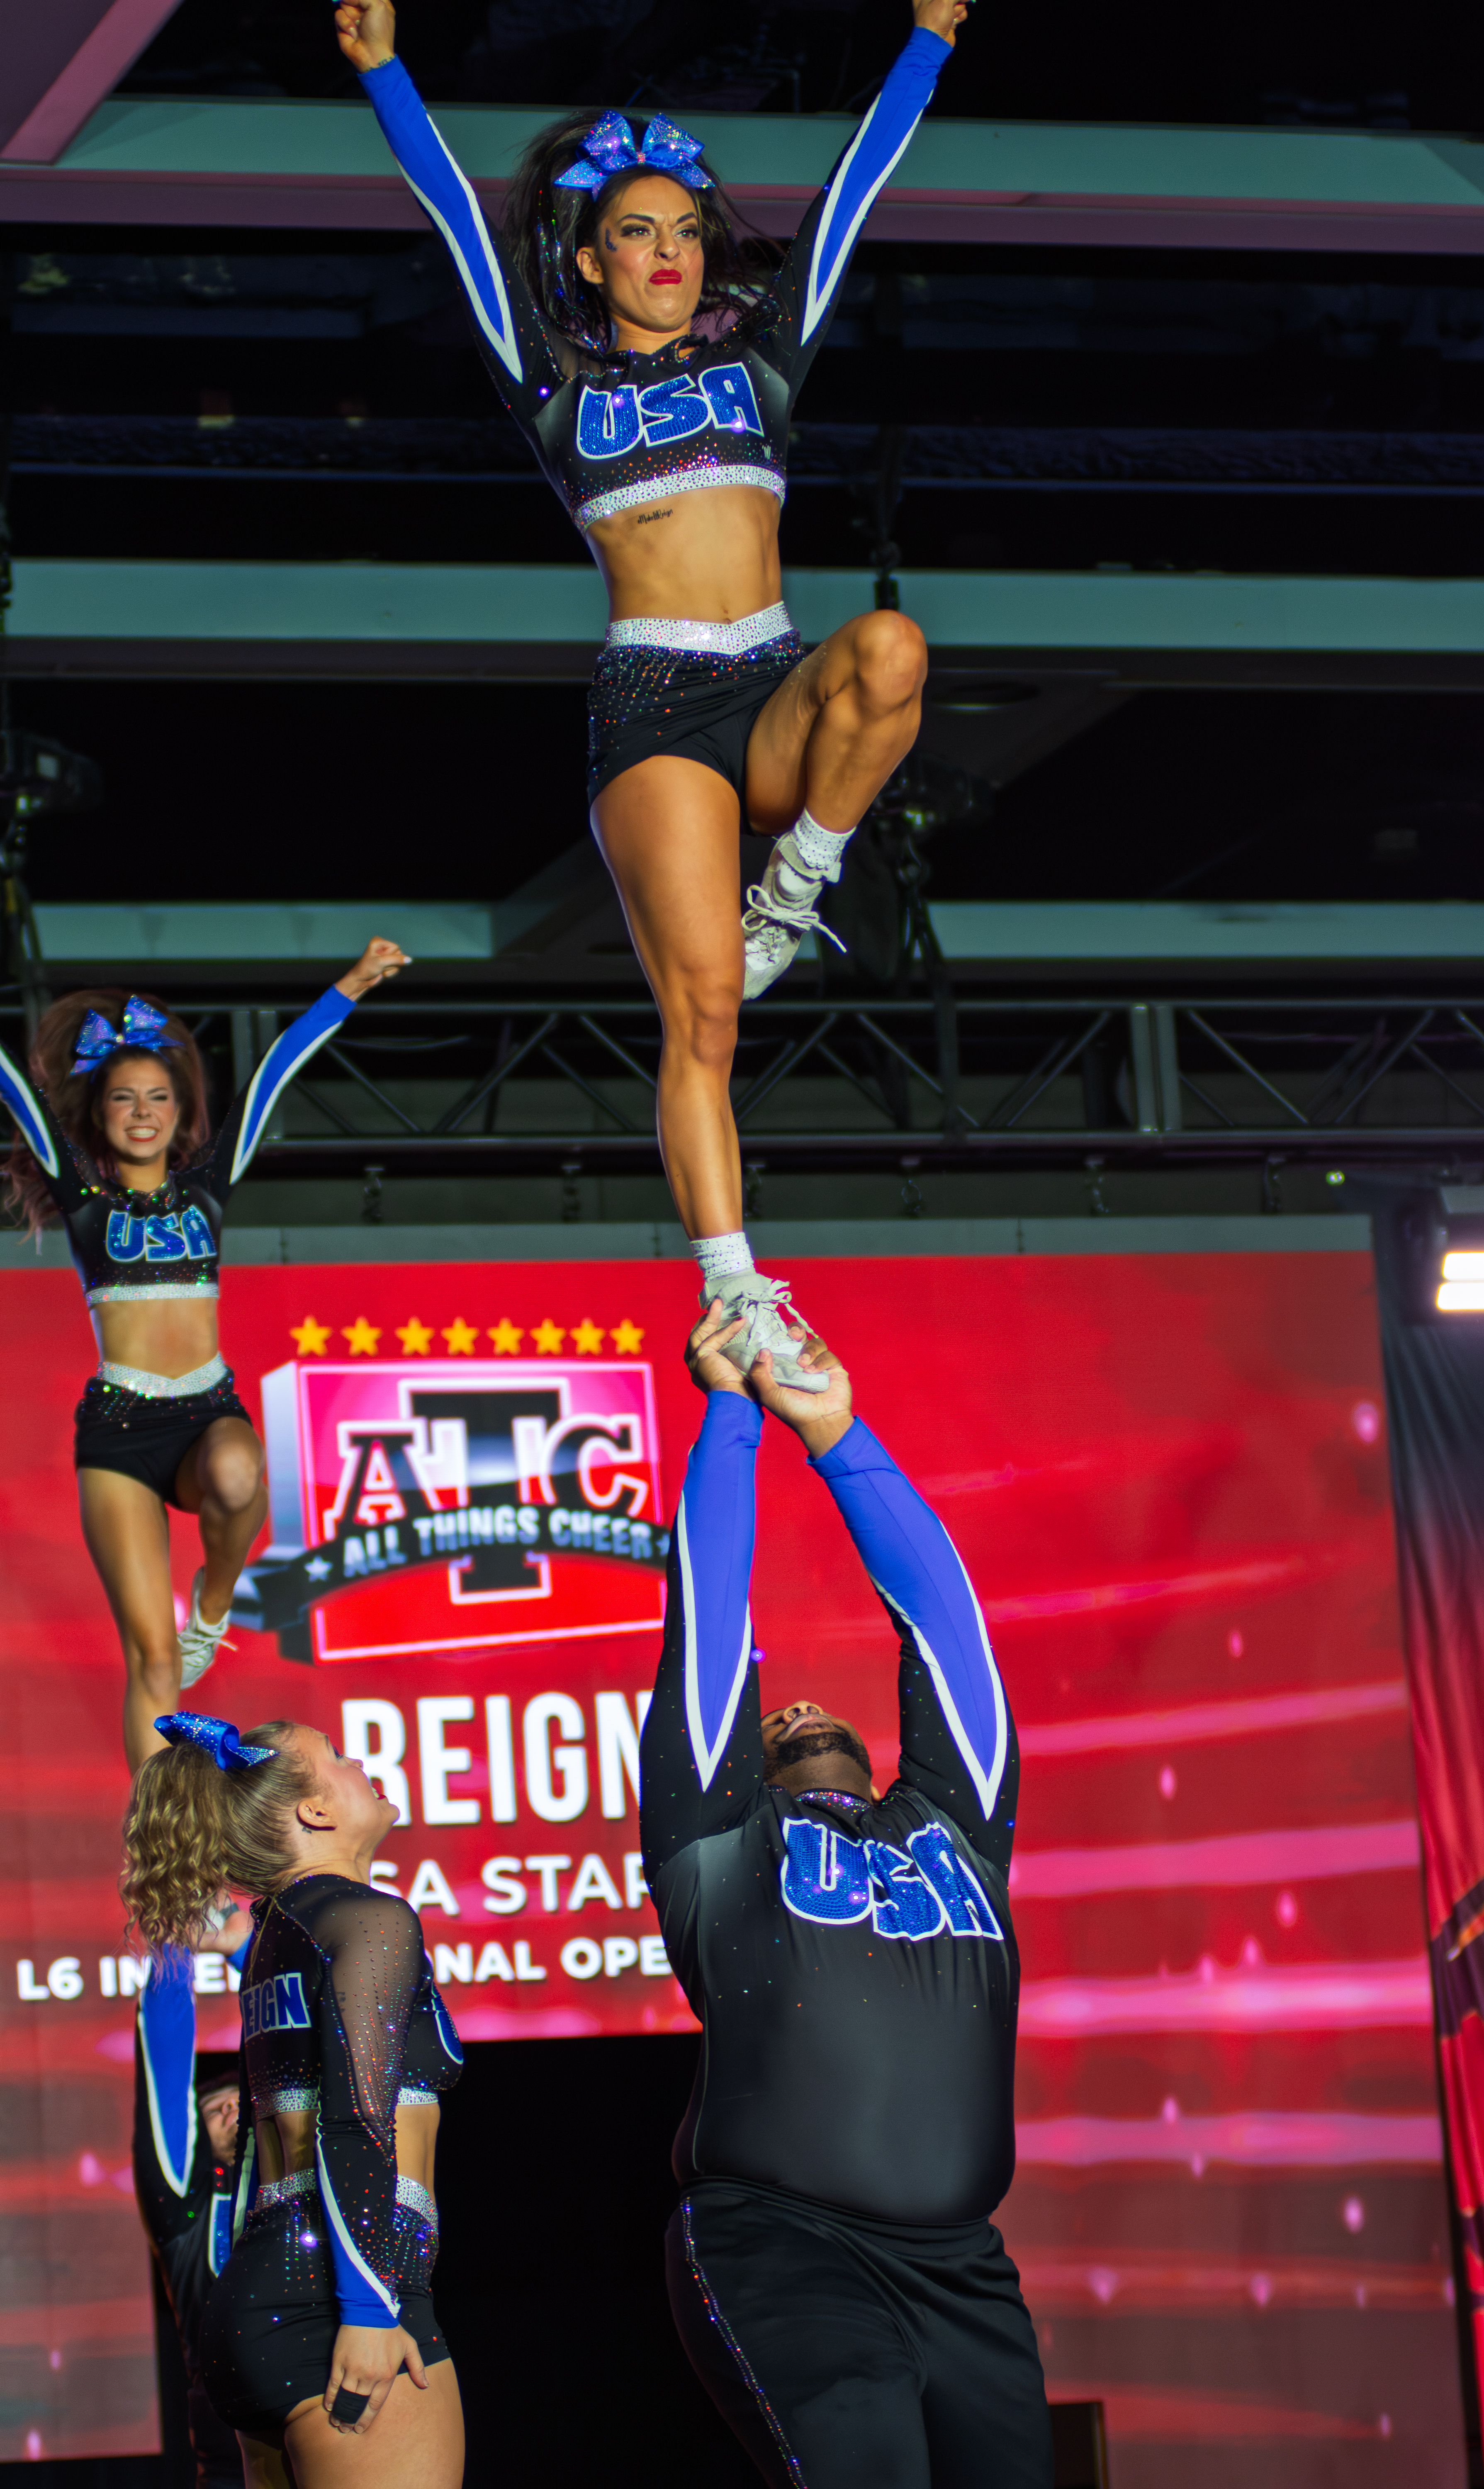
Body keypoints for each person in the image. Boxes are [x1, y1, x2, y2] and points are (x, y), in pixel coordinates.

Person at [333, 0, 966, 1386]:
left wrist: (924, 42)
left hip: (779, 682)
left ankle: (796, 890)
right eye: (638, 233)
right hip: (655, 708)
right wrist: (387, 74)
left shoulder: (764, 362)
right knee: (704, 1018)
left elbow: (856, 189)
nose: (671, 255)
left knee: (896, 651)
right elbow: (452, 218)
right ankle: (738, 1290)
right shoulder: (553, 386)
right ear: (588, 255)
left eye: (687, 231)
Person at [639, 1305, 1053, 2489]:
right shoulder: (720, 1843)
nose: (793, 1709)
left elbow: (950, 1636)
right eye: (770, 1724)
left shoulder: (956, 1831)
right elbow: (712, 1637)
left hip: (967, 2269)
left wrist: (839, 1435)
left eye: (813, 1714)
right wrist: (730, 1419)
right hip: (785, 2248)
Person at [0, 940, 409, 1771]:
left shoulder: (209, 1186)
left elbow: (272, 1075)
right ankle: (160, 1854)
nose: (143, 1111)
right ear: (100, 1113)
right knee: (151, 1662)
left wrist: (352, 985)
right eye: (124, 1098)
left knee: (237, 1473)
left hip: (203, 1410)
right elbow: (11, 1084)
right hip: (118, 1427)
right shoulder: (84, 1197)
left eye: (159, 1096)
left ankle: (213, 1606)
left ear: (179, 1107)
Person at [121, 1711, 465, 2489]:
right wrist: (373, 2314)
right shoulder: (369, 1919)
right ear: (313, 1811)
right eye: (339, 1756)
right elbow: (355, 2124)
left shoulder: (278, 1935)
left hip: (255, 2308)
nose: (360, 1762)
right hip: (346, 2304)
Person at [133, 1911, 253, 2489]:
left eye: (241, 2101)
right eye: (215, 2108)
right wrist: (172, 1954)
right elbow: (165, 2064)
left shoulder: (307, 2183)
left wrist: (246, 1954)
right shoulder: (185, 2214)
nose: (232, 2109)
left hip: (343, 2427)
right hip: (234, 2450)